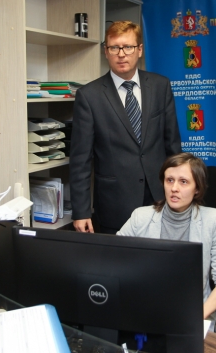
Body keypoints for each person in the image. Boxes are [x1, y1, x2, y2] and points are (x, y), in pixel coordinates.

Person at [70, 21, 181, 233]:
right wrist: (81, 211)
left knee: (161, 253)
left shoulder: (160, 86)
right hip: (114, 203)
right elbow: (80, 160)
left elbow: (173, 146)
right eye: (114, 48)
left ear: (139, 50)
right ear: (106, 52)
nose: (121, 54)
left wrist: (179, 194)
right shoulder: (89, 96)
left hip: (159, 197)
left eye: (128, 47)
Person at [117, 153, 216, 321]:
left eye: (183, 182)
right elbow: (114, 260)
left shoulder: (213, 220)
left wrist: (196, 317)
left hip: (194, 311)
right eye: (170, 180)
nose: (174, 188)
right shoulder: (140, 217)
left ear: (197, 188)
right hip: (145, 308)